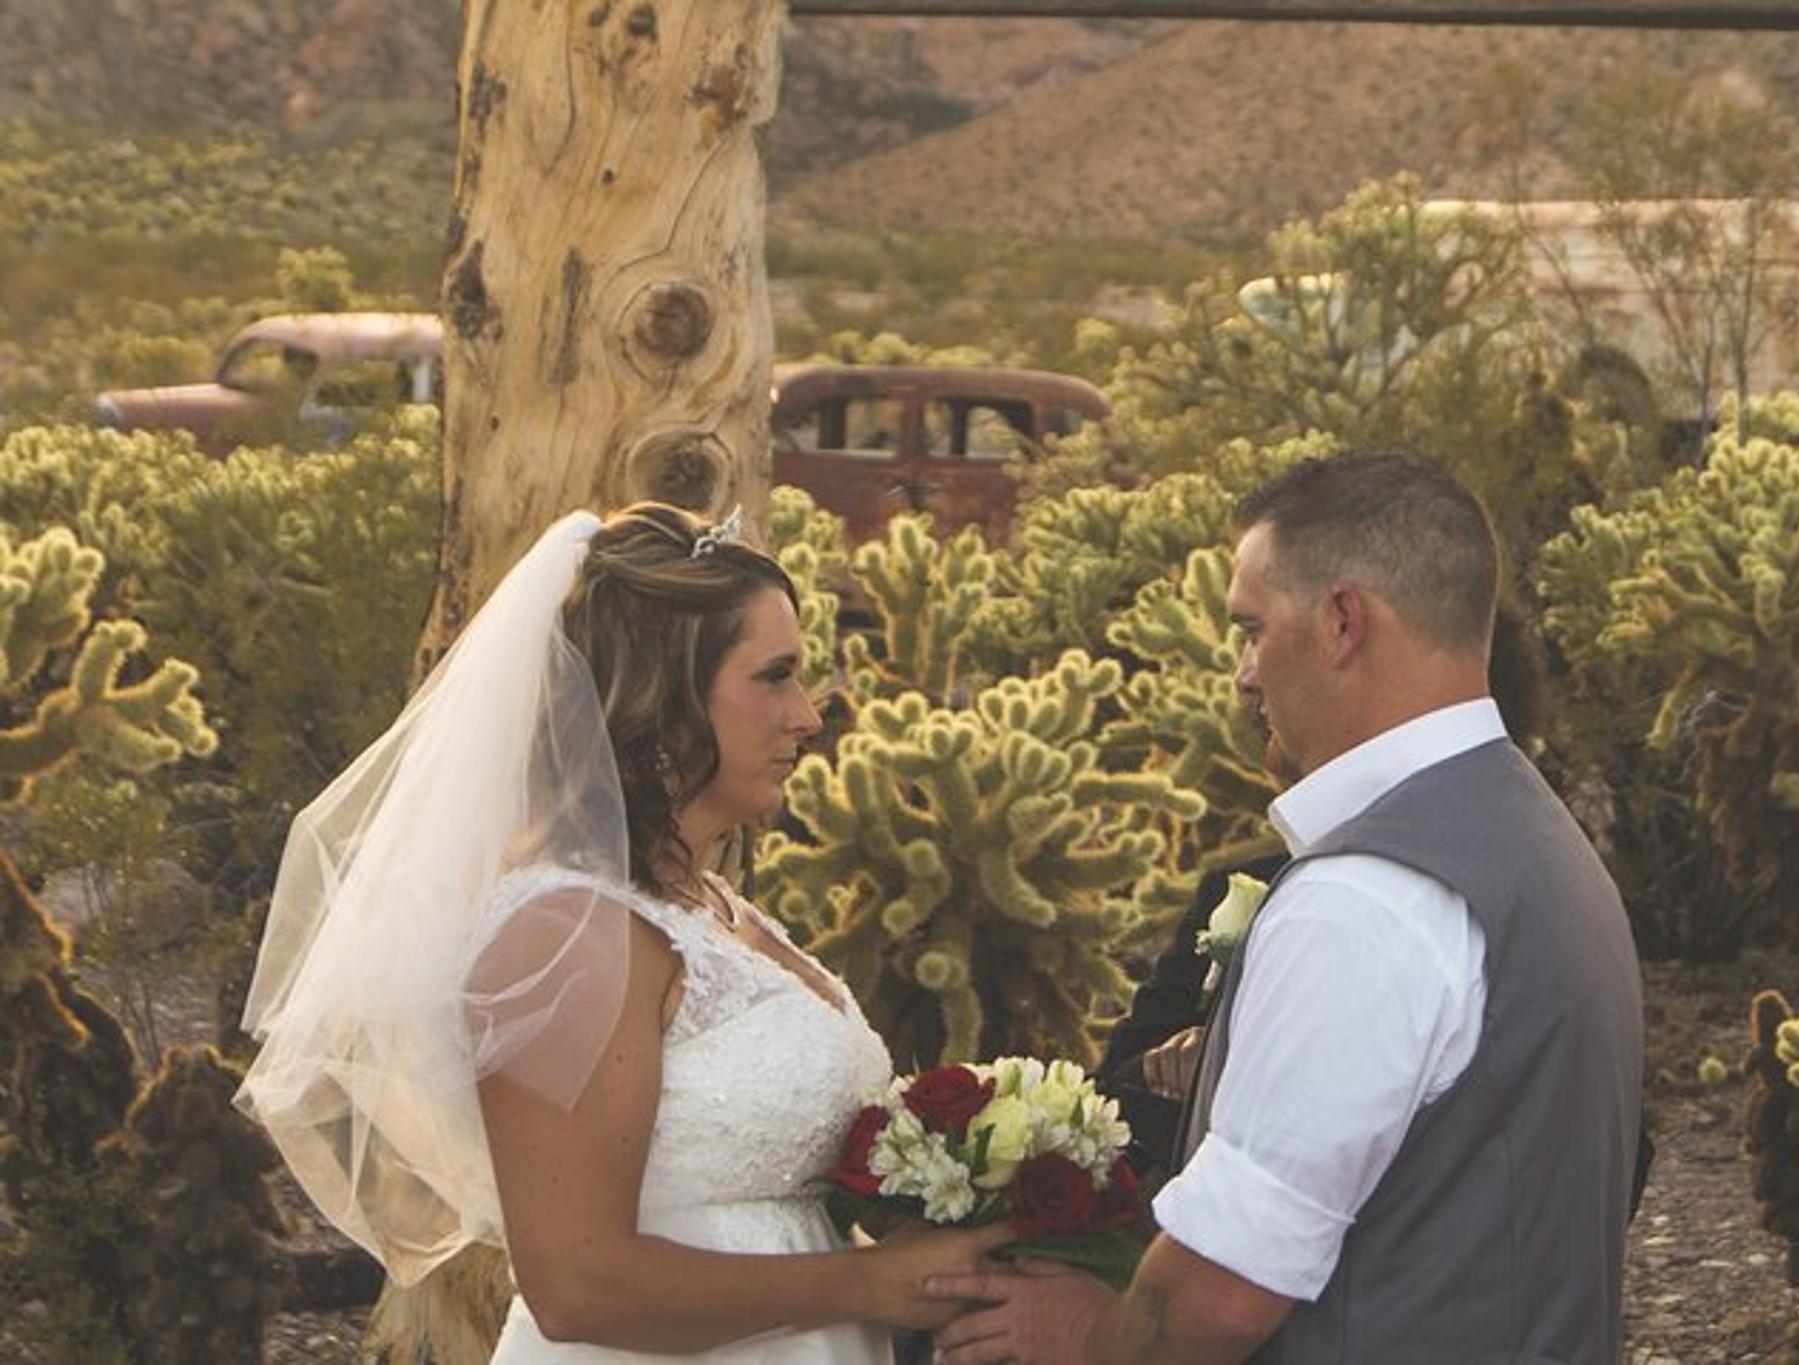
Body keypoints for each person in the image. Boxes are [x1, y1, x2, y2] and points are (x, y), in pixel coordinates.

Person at [237, 502, 1005, 1364]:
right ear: (663, 699)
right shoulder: (565, 929)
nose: (808, 715)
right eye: (775, 676)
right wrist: (867, 1284)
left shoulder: (711, 907)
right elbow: (577, 1283)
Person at [928, 452, 1644, 1364]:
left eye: (1251, 629)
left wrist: (1079, 1329)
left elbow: (1222, 1294)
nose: (1242, 674)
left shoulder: (1369, 895)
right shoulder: (1535, 839)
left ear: (1343, 621)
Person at [1097, 603, 1553, 1175]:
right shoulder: (1245, 889)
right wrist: (1191, 1066)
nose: (1244, 680)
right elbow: (1112, 1095)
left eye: (1256, 637)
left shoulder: (1499, 904)